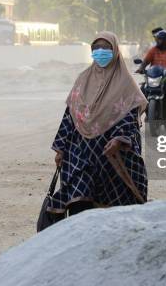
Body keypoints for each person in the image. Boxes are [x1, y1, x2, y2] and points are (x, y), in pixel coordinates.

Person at [47, 31, 148, 219]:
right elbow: (71, 115)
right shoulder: (83, 79)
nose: (100, 52)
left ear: (115, 50)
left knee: (112, 209)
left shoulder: (126, 84)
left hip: (110, 155)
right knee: (79, 201)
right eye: (96, 48)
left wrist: (120, 139)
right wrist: (61, 148)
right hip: (79, 153)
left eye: (106, 48)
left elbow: (130, 118)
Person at [136, 30, 166, 120]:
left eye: (160, 40)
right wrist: (141, 68)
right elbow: (145, 61)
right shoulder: (153, 50)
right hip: (154, 76)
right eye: (157, 39)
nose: (157, 41)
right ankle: (144, 113)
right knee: (142, 90)